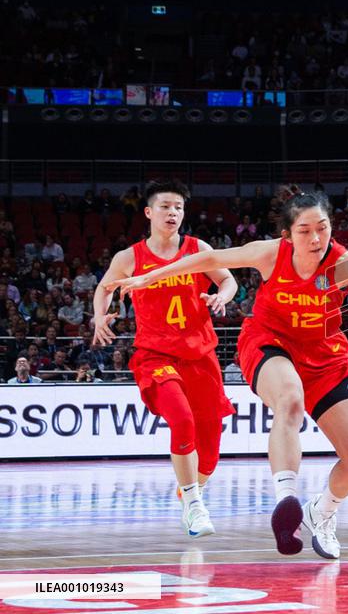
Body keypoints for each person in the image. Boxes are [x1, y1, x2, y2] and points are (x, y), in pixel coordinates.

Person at [106, 191, 348, 560]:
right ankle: (287, 502)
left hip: (325, 355)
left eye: (322, 228)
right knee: (290, 399)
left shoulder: (343, 263)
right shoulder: (270, 254)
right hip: (270, 343)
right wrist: (150, 276)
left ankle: (321, 512)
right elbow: (209, 259)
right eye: (305, 231)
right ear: (288, 235)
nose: (315, 238)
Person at [94, 180, 237, 539]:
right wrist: (99, 316)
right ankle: (193, 503)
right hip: (155, 354)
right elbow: (104, 288)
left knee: (210, 453)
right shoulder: (129, 257)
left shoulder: (197, 248)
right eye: (165, 206)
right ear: (148, 212)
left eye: (178, 208)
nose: (173, 213)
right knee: (181, 419)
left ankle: (190, 489)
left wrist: (222, 296)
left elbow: (229, 281)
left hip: (200, 355)